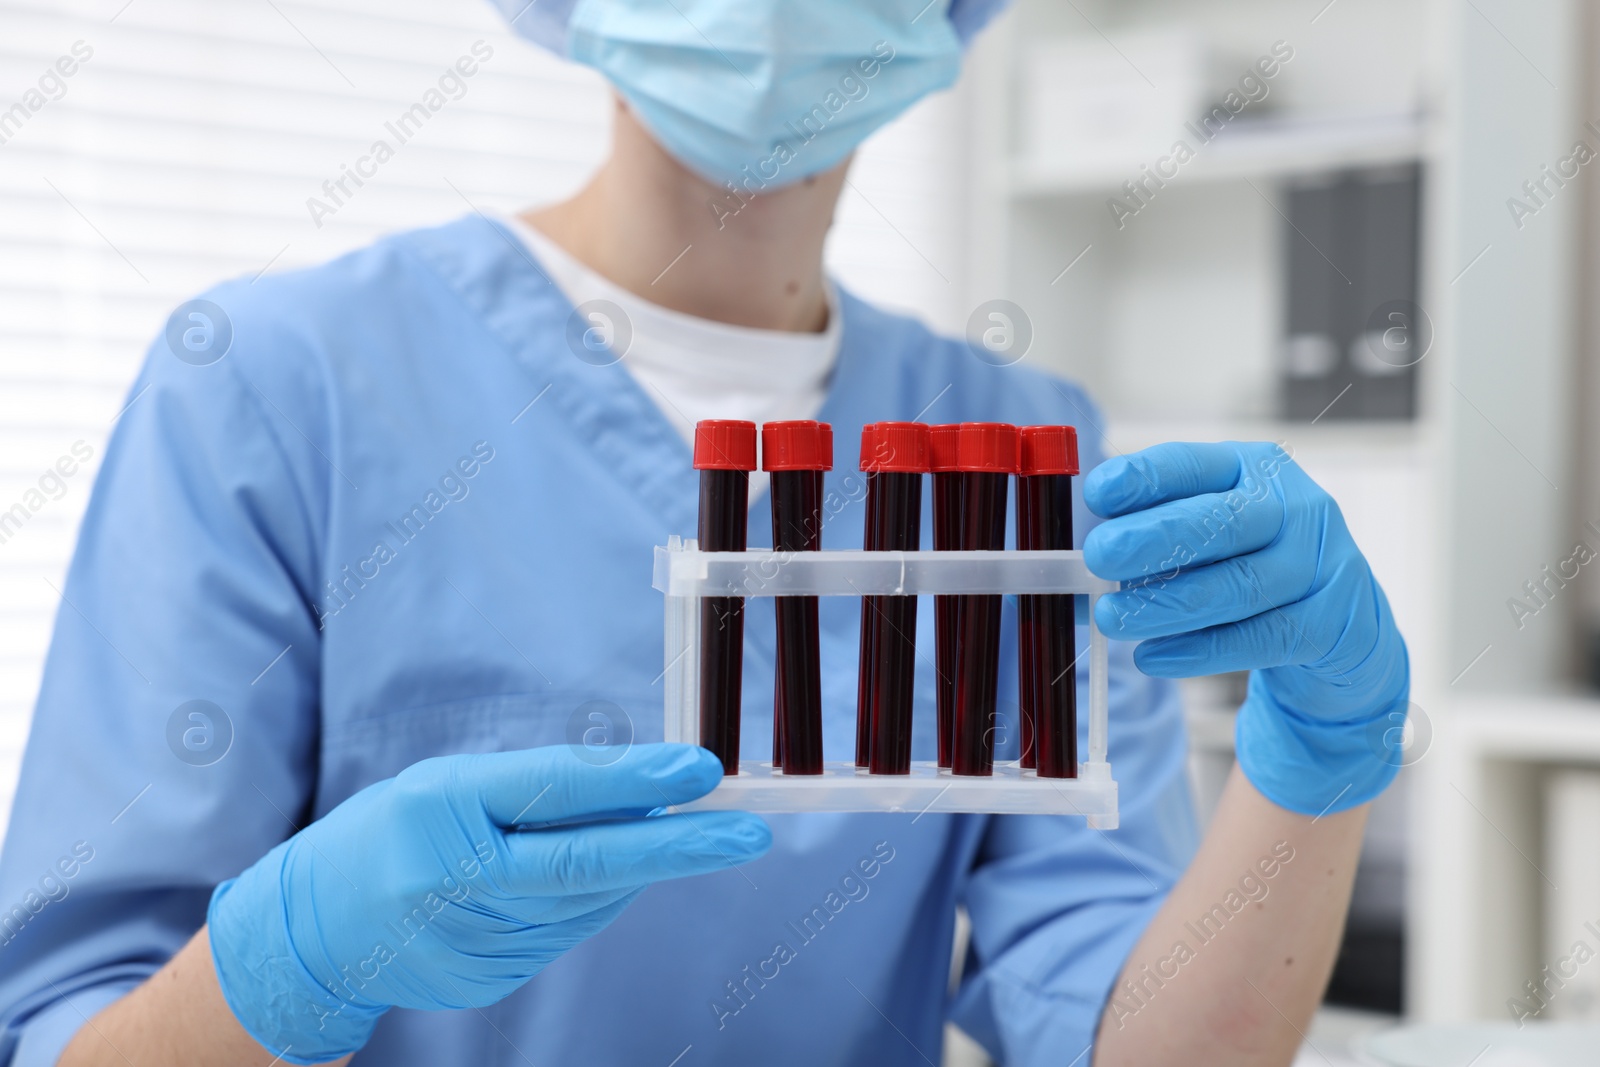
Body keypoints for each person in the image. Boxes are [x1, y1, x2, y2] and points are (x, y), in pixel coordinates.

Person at [0, 1, 1409, 1064]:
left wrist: (1319, 764)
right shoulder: (277, 380)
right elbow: (74, 1036)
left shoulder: (1006, 445)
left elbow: (1150, 1041)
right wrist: (288, 962)